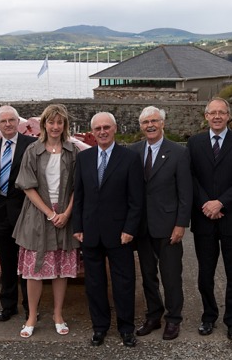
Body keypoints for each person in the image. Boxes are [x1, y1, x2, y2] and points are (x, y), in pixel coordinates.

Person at [73, 112, 144, 348]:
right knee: (94, 284)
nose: (102, 131)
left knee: (123, 282)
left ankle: (126, 328)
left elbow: (136, 199)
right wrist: (78, 227)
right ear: (92, 132)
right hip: (91, 232)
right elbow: (79, 195)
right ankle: (99, 327)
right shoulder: (84, 158)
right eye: (98, 128)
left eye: (106, 127)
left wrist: (130, 229)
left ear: (115, 129)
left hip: (120, 233)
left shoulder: (130, 158)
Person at [187, 97, 232, 340]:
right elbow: (190, 177)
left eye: (221, 113)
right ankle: (208, 316)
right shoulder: (194, 143)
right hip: (204, 217)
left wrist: (221, 203)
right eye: (212, 112)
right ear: (206, 116)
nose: (217, 116)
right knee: (206, 273)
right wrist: (206, 203)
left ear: (228, 116)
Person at [12, 104, 80, 338]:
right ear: (44, 124)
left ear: (64, 125)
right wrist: (50, 214)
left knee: (61, 269)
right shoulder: (32, 150)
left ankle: (57, 314)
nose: (55, 126)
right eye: (51, 122)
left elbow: (77, 187)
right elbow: (27, 186)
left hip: (64, 215)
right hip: (37, 216)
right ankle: (32, 315)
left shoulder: (73, 151)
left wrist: (67, 213)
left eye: (59, 122)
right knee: (34, 270)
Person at [129, 106, 192, 340]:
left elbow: (186, 193)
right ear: (141, 126)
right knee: (147, 275)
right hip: (142, 227)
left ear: (163, 123)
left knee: (171, 275)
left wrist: (180, 224)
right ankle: (153, 316)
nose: (150, 125)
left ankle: (173, 319)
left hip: (168, 226)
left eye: (154, 121)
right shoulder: (133, 151)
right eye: (145, 122)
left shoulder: (178, 152)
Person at [0, 105, 37, 322]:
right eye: (3, 121)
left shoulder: (31, 145)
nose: (8, 124)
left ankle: (30, 306)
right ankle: (8, 305)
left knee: (27, 263)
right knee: (7, 261)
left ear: (18, 122)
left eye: (11, 120)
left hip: (25, 213)